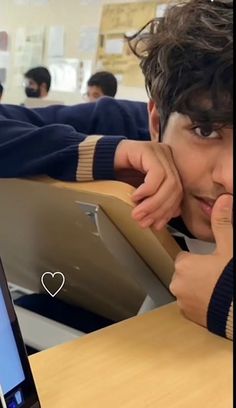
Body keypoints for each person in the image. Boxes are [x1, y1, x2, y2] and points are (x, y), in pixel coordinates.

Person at [0, 0, 232, 340]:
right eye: (205, 130)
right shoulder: (119, 125)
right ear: (156, 123)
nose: (228, 177)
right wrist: (105, 153)